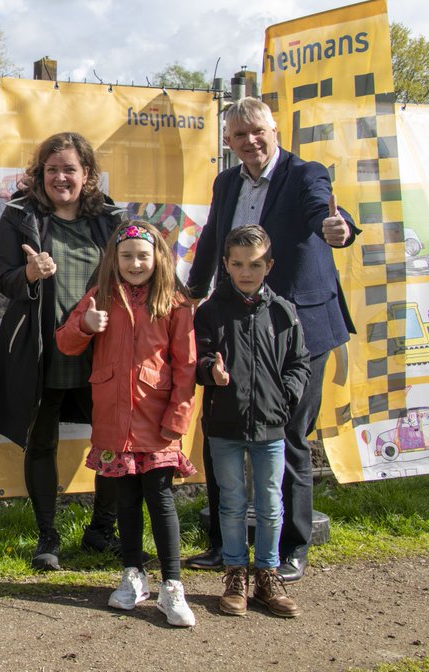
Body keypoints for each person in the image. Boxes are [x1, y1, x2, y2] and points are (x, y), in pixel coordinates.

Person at [185, 97, 358, 582]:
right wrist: (193, 293)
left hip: (295, 328)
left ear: (273, 128)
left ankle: (291, 549)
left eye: (256, 130)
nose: (250, 141)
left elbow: (323, 216)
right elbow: (215, 240)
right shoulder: (225, 182)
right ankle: (224, 546)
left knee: (288, 437)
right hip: (233, 326)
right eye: (239, 135)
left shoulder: (306, 174)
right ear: (229, 141)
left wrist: (337, 231)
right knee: (221, 432)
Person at [0, 132, 125, 570]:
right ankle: (48, 536)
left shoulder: (111, 218)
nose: (60, 177)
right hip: (42, 348)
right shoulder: (18, 215)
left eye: (70, 169)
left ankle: (102, 531)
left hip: (101, 349)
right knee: (41, 441)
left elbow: (135, 274)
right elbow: (5, 281)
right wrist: (28, 272)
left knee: (111, 443)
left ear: (87, 175)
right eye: (52, 170)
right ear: (39, 174)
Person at [55, 221, 197, 627]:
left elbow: (186, 367)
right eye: (127, 256)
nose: (135, 264)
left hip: (157, 422)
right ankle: (133, 575)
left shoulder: (174, 302)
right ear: (113, 260)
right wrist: (85, 326)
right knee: (127, 500)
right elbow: (65, 341)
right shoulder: (100, 297)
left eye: (143, 256)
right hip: (114, 421)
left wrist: (177, 417)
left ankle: (172, 585)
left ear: (158, 259)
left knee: (161, 498)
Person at [195, 225, 309, 618]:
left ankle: (267, 575)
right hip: (225, 425)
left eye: (256, 264)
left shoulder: (283, 310)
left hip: (271, 426)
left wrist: (286, 396)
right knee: (231, 503)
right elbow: (197, 360)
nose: (247, 272)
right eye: (239, 264)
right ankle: (235, 574)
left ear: (269, 266)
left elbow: (299, 362)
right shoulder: (210, 310)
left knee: (271, 503)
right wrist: (212, 371)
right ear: (225, 265)